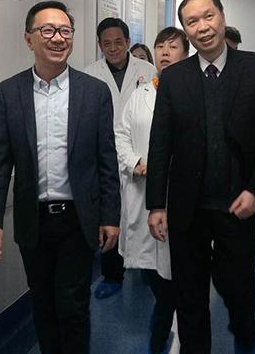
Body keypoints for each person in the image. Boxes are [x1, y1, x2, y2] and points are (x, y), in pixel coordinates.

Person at [146, 0, 255, 354]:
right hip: (187, 208)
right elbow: (160, 143)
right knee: (189, 294)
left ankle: (244, 333)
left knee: (238, 285)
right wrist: (156, 204)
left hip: (238, 204)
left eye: (208, 16)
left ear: (222, 16)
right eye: (192, 21)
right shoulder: (174, 78)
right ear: (185, 29)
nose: (202, 27)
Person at [0, 1, 121, 354]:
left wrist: (110, 216)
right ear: (29, 39)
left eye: (65, 31)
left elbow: (106, 159)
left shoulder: (94, 92)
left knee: (72, 305)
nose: (58, 38)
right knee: (42, 303)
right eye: (48, 30)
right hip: (34, 219)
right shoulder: (9, 92)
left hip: (78, 218)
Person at [115, 26, 189, 354]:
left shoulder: (195, 92)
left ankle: (169, 334)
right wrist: (135, 162)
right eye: (160, 47)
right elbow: (121, 134)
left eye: (173, 47)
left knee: (180, 271)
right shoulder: (140, 94)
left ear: (186, 54)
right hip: (144, 192)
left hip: (182, 196)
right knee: (157, 274)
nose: (165, 53)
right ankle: (162, 331)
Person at [85, 17, 156, 299]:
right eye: (106, 43)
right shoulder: (90, 74)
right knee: (110, 215)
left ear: (128, 42)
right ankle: (112, 274)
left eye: (118, 42)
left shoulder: (147, 70)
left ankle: (149, 269)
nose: (112, 48)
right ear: (99, 45)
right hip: (104, 156)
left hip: (140, 155)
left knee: (144, 213)